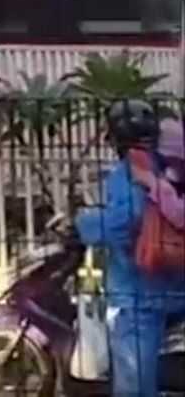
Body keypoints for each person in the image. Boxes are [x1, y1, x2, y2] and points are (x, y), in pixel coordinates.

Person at [71, 99, 185, 397]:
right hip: (172, 284)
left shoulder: (128, 171)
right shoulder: (169, 168)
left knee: (133, 385)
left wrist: (83, 224)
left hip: (138, 293)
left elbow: (126, 221)